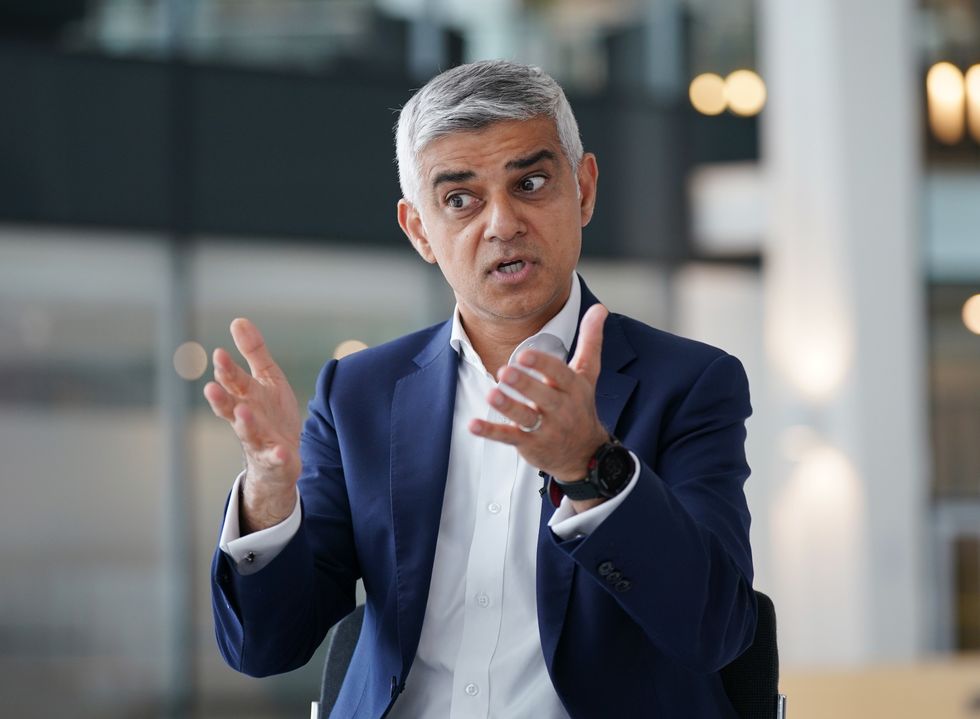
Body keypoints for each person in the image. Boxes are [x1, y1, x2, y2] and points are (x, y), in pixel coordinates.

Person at [208, 60, 756, 719]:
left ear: (583, 190)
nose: (502, 223)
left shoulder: (690, 384)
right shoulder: (359, 393)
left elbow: (716, 629)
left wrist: (592, 467)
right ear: (419, 230)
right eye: (460, 200)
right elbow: (266, 644)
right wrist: (269, 493)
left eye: (530, 183)